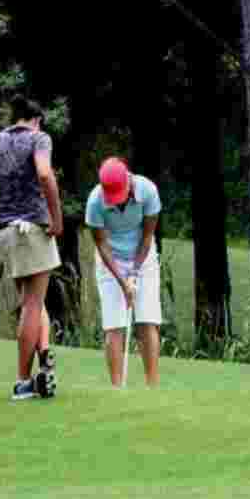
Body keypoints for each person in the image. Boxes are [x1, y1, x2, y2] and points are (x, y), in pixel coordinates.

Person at [0, 98, 65, 401]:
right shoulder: (39, 138)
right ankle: (23, 381)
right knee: (33, 304)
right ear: (34, 120)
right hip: (33, 228)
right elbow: (45, 175)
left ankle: (44, 353)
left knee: (32, 301)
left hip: (5, 231)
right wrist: (56, 219)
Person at [85, 157, 162, 389]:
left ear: (128, 181)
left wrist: (135, 273)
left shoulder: (147, 190)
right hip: (111, 261)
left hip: (143, 257)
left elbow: (148, 237)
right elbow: (101, 244)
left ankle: (152, 386)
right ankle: (117, 389)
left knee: (147, 320)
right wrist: (122, 280)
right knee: (113, 325)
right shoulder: (95, 201)